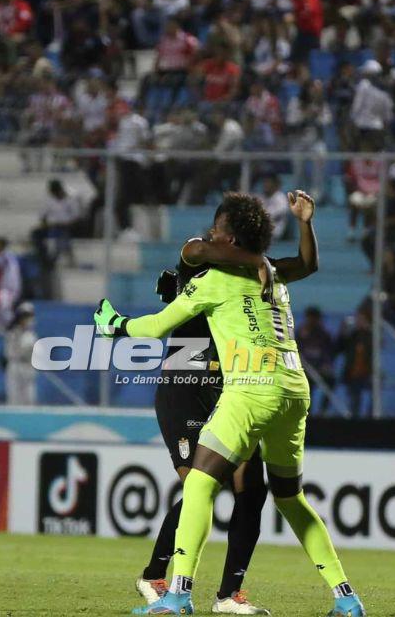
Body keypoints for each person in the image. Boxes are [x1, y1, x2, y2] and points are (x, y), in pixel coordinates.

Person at [95, 191, 366, 617]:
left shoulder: (215, 278)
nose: (208, 235)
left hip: (250, 389)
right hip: (294, 388)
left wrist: (117, 327)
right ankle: (347, 599)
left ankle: (177, 596)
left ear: (230, 238)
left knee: (200, 483)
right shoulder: (273, 276)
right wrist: (300, 227)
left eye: (217, 230)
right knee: (291, 497)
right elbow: (308, 264)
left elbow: (156, 326)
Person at [135, 244, 274, 616]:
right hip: (183, 388)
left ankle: (229, 595)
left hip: (227, 390)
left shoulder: (244, 280)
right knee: (204, 484)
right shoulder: (201, 270)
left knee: (252, 488)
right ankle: (153, 576)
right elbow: (192, 251)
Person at [297, 307, 337, 415]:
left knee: (330, 381)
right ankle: (306, 413)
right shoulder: (301, 333)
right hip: (305, 370)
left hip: (319, 369)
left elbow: (329, 352)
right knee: (306, 391)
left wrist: (326, 365)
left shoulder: (324, 335)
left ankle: (322, 411)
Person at [336, 306, 373, 417]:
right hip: (352, 373)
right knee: (353, 398)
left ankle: (369, 417)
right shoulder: (352, 336)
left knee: (373, 395)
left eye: (361, 319)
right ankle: (354, 417)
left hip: (367, 373)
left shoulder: (372, 336)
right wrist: (342, 332)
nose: (358, 321)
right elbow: (339, 348)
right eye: (358, 318)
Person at [2, 302, 37, 405]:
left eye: (29, 316)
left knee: (30, 398)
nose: (26, 319)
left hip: (28, 367)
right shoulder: (12, 333)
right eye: (24, 316)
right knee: (14, 398)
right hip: (15, 365)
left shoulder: (32, 335)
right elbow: (8, 352)